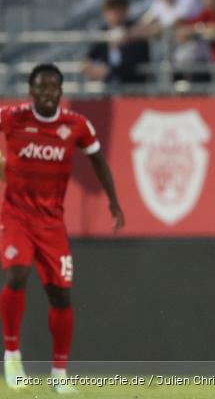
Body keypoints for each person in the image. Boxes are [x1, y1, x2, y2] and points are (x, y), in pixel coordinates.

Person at [0, 63, 125, 393]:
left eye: (53, 88)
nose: (47, 94)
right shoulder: (12, 117)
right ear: (30, 91)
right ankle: (12, 355)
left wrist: (114, 201)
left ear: (61, 91)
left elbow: (97, 158)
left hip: (52, 222)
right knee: (16, 272)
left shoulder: (75, 125)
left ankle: (59, 374)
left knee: (60, 296)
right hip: (16, 215)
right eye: (40, 88)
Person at [83, 0, 151, 85]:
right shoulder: (103, 32)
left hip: (133, 86)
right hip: (108, 86)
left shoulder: (135, 31)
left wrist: (108, 71)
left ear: (125, 11)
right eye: (110, 10)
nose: (114, 14)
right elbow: (91, 55)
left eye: (117, 9)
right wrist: (88, 65)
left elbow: (134, 63)